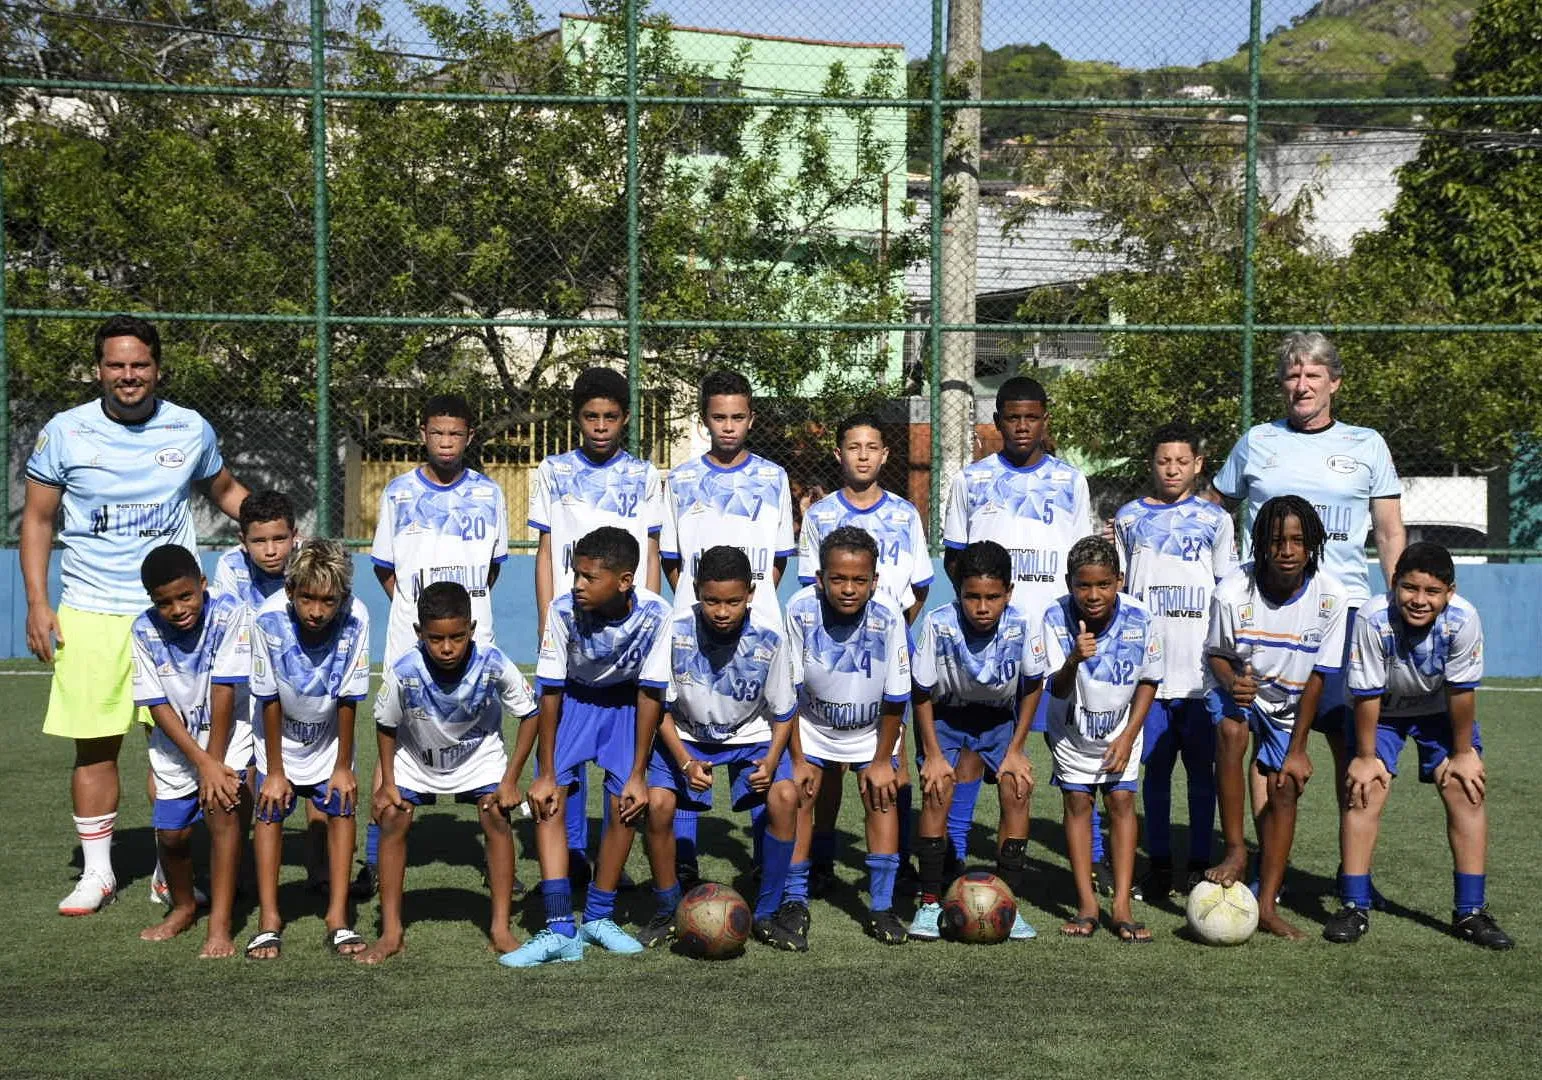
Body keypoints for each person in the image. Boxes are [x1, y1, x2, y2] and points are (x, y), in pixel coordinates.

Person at [23, 315, 248, 916]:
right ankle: (96, 874)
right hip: (91, 609)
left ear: (157, 368)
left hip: (174, 615)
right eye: (117, 365)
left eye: (139, 364)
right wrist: (39, 603)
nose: (128, 375)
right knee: (94, 746)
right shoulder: (66, 432)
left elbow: (225, 491)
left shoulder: (189, 427)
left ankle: (163, 872)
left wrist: (273, 525)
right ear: (99, 369)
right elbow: (39, 521)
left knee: (171, 750)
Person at [1213, 333, 1405, 831]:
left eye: (1313, 375)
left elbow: (1388, 530)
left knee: (1349, 737)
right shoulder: (1258, 440)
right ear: (1281, 384)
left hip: (1344, 613)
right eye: (1293, 375)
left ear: (1334, 383)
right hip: (1267, 609)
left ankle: (1352, 874)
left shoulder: (1368, 444)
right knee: (1266, 737)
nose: (1302, 385)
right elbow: (1212, 510)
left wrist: (1397, 601)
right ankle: (1265, 868)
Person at [941, 376, 1096, 882]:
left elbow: (1080, 563)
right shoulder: (971, 480)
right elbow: (954, 559)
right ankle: (953, 858)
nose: (1022, 426)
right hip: (985, 643)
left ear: (1045, 420)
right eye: (1012, 417)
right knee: (968, 752)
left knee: (1073, 753)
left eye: (1032, 417)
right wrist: (984, 614)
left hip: (1051, 641)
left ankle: (1091, 865)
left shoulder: (1071, 481)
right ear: (997, 421)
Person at [1326, 542, 1513, 949]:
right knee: (1364, 790)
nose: (1419, 600)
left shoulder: (1464, 619)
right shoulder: (1374, 619)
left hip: (1438, 711)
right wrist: (1364, 756)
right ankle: (1354, 904)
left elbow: (1462, 692)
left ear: (1450, 591)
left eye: (1432, 592)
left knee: (1466, 788)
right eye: (1410, 588)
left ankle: (1471, 911)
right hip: (1382, 712)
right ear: (1394, 584)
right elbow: (1367, 695)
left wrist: (1464, 754)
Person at [500, 527, 672, 967]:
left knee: (626, 804)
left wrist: (637, 773)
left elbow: (651, 693)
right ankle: (560, 929)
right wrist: (545, 771)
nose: (576, 584)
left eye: (588, 577)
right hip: (574, 701)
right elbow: (550, 691)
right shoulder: (561, 612)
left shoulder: (657, 614)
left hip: (625, 705)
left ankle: (598, 916)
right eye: (575, 573)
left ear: (625, 580)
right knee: (550, 799)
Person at [361, 393, 510, 898]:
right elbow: (385, 567)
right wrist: (416, 615)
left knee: (483, 738)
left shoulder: (490, 494)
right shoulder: (399, 492)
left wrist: (460, 619)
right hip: (412, 638)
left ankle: (495, 853)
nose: (446, 443)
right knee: (394, 738)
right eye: (437, 433)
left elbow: (492, 569)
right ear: (423, 434)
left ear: (468, 438)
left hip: (472, 639)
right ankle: (375, 857)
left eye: (455, 434)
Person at [633, 546, 806, 951]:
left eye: (732, 601)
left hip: (749, 736)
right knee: (658, 804)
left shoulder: (770, 638)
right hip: (687, 735)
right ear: (696, 592)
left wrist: (772, 758)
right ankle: (667, 908)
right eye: (711, 601)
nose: (722, 611)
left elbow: (784, 711)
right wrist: (685, 760)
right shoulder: (674, 631)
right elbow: (657, 705)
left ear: (750, 593)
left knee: (784, 794)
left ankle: (767, 912)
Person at [530, 366, 663, 886]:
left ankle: (614, 859)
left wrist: (645, 610)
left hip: (624, 621)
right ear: (577, 419)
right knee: (567, 733)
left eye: (610, 416)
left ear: (625, 419)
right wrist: (546, 616)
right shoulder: (553, 470)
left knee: (624, 741)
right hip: (570, 621)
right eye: (591, 416)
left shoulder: (645, 474)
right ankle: (575, 852)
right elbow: (544, 554)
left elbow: (650, 551)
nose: (601, 425)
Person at [661, 369, 795, 888]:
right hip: (696, 621)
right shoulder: (684, 478)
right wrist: (701, 603)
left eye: (738, 417)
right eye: (719, 417)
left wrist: (748, 605)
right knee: (691, 726)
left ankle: (766, 859)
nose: (729, 426)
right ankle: (685, 860)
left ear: (751, 419)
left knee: (762, 735)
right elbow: (674, 560)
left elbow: (778, 558)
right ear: (704, 421)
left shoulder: (773, 477)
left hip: (754, 621)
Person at [358, 582, 539, 964]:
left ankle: (500, 928)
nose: (446, 648)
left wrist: (509, 781)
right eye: (436, 638)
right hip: (417, 758)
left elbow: (530, 713)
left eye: (457, 637)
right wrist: (388, 785)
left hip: (478, 758)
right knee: (393, 817)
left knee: (495, 815)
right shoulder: (404, 670)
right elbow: (386, 726)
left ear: (472, 629)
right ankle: (391, 932)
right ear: (419, 633)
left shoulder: (492, 661)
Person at [797, 413, 932, 896]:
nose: (862, 455)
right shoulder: (819, 516)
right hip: (830, 648)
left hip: (885, 649)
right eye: (853, 446)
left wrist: (887, 635)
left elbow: (918, 588)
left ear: (885, 455)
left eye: (872, 447)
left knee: (890, 758)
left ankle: (898, 862)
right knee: (826, 759)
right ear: (839, 454)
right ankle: (822, 858)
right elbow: (810, 586)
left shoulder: (904, 513)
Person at [1204, 497, 1348, 940]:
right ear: (1261, 544)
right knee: (1232, 729)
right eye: (1276, 540)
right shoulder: (1232, 591)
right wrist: (1233, 685)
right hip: (1238, 692)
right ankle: (1235, 851)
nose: (1287, 550)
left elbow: (1319, 680)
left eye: (1298, 541)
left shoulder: (1331, 598)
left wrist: (1299, 749)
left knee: (1285, 786)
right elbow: (1215, 656)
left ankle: (1266, 904)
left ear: (1313, 546)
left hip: (1291, 705)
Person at [1111, 422, 1237, 895]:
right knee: (1156, 773)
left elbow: (1227, 589)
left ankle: (1200, 862)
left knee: (1202, 775)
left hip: (1202, 675)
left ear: (1198, 465)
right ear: (1151, 464)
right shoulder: (1128, 518)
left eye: (1182, 461)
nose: (1172, 469)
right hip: (1151, 677)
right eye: (1164, 461)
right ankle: (1160, 863)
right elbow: (1119, 590)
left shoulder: (1216, 521)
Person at [781, 526, 912, 945]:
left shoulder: (889, 616)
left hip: (872, 730)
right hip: (812, 727)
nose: (849, 589)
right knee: (802, 795)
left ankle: (881, 908)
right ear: (820, 578)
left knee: (882, 797)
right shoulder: (800, 609)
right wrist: (799, 760)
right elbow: (789, 691)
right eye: (838, 579)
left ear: (875, 581)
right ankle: (794, 901)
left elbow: (896, 696)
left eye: (859, 580)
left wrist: (880, 761)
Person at [908, 540, 1042, 942]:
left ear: (1009, 593)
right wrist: (932, 753)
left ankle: (1009, 899)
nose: (982, 607)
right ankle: (930, 902)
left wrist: (1016, 750)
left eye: (992, 597)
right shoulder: (938, 623)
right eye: (972, 597)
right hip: (946, 715)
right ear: (959, 592)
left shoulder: (1022, 624)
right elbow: (920, 692)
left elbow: (1034, 685)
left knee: (1017, 788)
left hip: (999, 719)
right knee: (936, 790)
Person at [246, 540, 372, 960]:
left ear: (343, 597)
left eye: (327, 601)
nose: (316, 611)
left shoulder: (356, 618)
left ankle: (338, 917)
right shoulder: (266, 620)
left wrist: (343, 766)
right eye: (307, 599)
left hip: (330, 736)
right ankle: (269, 920)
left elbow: (350, 696)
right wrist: (276, 771)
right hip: (277, 737)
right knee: (269, 810)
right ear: (290, 592)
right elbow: (268, 697)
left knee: (341, 807)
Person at [129, 545, 252, 957]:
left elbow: (224, 688)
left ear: (202, 584)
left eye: (185, 596)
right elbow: (155, 704)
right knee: (173, 834)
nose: (178, 608)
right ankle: (183, 906)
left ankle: (220, 925)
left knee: (222, 814)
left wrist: (214, 764)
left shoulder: (230, 612)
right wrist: (200, 763)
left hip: (227, 732)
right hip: (177, 744)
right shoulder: (143, 630)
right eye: (164, 602)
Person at [1040, 536, 1162, 943]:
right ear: (1068, 583)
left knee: (1122, 801)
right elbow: (1055, 691)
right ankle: (1087, 903)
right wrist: (1073, 659)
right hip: (1071, 730)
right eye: (1083, 585)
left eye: (1104, 584)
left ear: (1120, 581)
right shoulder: (1053, 617)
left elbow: (1148, 680)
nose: (1093, 595)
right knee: (1078, 802)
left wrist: (1129, 735)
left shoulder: (1142, 618)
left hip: (1121, 729)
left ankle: (1122, 904)